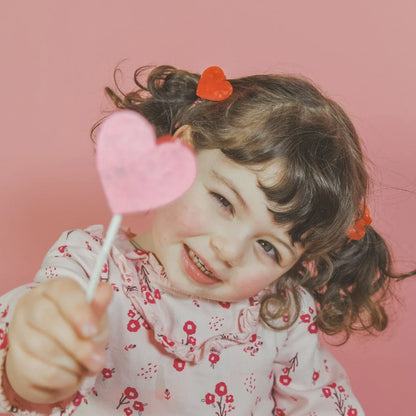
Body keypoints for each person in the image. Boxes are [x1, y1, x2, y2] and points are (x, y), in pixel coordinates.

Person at [0, 65, 414, 416]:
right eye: (223, 201)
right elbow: (36, 338)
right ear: (180, 153)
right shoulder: (91, 265)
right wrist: (35, 359)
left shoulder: (280, 319)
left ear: (297, 264)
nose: (229, 251)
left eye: (269, 247)